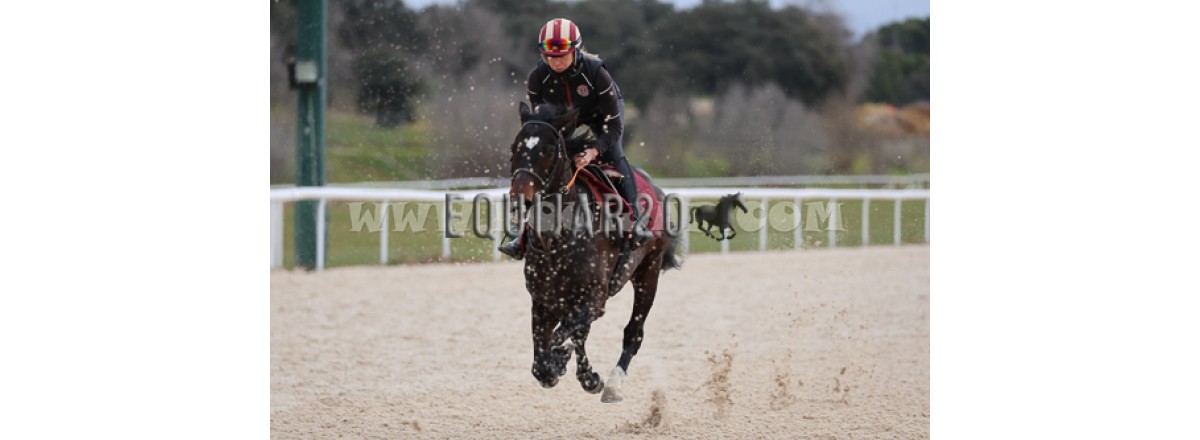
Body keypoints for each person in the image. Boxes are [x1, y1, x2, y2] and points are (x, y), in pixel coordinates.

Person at [499, 17, 653, 260]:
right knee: (543, 160)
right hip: (565, 117)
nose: (556, 62)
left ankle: (635, 222)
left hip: (603, 115)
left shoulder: (597, 73)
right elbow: (543, 126)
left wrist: (593, 151)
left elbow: (614, 127)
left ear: (575, 50)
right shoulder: (537, 77)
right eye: (550, 56)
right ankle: (520, 230)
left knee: (615, 154)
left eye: (562, 55)